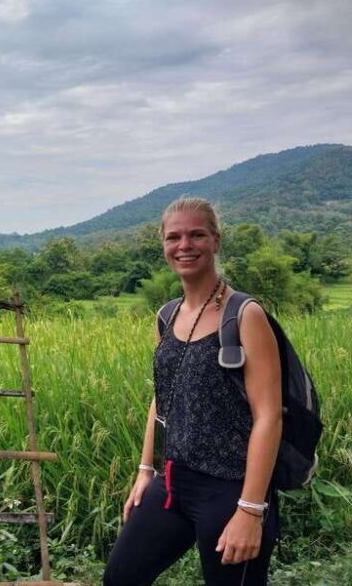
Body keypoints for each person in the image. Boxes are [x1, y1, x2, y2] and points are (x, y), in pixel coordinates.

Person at [103, 198, 282, 586]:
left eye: (197, 234)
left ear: (215, 241)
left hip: (231, 487)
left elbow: (268, 415)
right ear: (164, 245)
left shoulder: (245, 315)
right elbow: (162, 397)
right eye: (174, 237)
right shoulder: (167, 315)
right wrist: (145, 470)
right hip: (173, 482)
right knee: (121, 576)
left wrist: (251, 509)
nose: (185, 245)